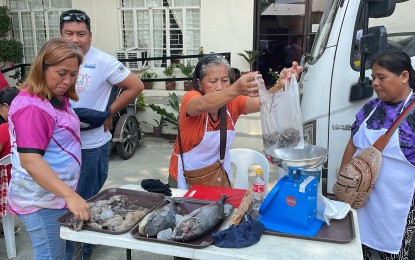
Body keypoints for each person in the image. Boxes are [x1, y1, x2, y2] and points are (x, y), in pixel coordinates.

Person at [59, 9, 143, 259]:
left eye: (81, 34)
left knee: (86, 199)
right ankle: (70, 244)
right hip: (60, 146)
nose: (75, 39)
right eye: (69, 33)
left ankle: (84, 249)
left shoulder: (103, 61)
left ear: (90, 36)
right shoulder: (52, 59)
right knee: (63, 200)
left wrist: (110, 112)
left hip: (91, 145)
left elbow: (135, 85)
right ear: (60, 34)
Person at [6, 38, 90, 259]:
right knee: (52, 255)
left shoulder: (54, 97)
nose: (67, 80)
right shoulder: (33, 108)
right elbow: (30, 161)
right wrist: (69, 195)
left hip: (55, 195)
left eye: (73, 74)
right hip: (41, 201)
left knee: (65, 252)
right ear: (42, 67)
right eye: (61, 73)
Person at [168, 55, 302, 189]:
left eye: (225, 80)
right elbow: (202, 104)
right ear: (199, 84)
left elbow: (264, 103)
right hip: (184, 180)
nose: (220, 87)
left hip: (218, 179)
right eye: (213, 81)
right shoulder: (191, 98)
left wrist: (280, 85)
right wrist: (235, 89)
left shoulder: (233, 103)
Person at [339, 50, 415, 259]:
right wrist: (343, 179)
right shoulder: (370, 108)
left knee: (393, 253)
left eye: (382, 77)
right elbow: (353, 142)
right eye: (373, 78)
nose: (375, 83)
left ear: (404, 76)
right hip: (362, 198)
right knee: (358, 247)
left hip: (397, 202)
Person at [0, 87, 20, 235]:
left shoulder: (5, 127)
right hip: (19, 180)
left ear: (6, 106)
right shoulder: (27, 124)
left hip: (5, 185)